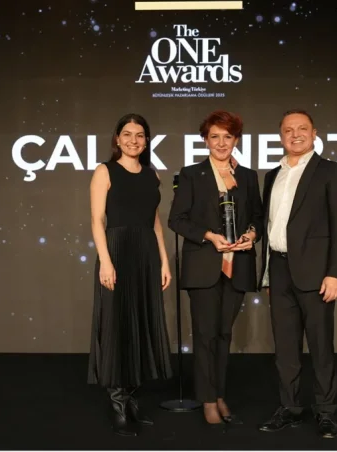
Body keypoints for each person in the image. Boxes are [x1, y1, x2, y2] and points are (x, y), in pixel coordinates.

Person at [257, 109, 337, 439]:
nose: (295, 134)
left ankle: (325, 411)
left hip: (316, 273)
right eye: (288, 130)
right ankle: (290, 407)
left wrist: (336, 273)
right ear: (280, 135)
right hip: (279, 270)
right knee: (285, 348)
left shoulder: (331, 172)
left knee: (321, 346)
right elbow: (270, 227)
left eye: (302, 129)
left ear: (314, 133)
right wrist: (267, 275)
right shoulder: (272, 175)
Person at [168, 110, 264, 428]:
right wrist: (209, 236)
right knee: (205, 335)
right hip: (204, 266)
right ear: (205, 140)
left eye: (228, 137)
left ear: (236, 140)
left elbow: (258, 217)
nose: (221, 143)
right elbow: (176, 220)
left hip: (238, 266)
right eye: (215, 137)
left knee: (224, 335)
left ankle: (220, 394)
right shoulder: (192, 175)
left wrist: (251, 235)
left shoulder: (248, 176)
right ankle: (208, 399)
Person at [87, 113, 174, 437]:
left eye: (139, 135)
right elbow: (97, 220)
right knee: (117, 325)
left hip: (146, 255)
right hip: (117, 252)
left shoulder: (152, 175)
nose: (133, 140)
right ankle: (118, 405)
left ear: (146, 140)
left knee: (142, 323)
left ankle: (132, 399)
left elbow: (154, 222)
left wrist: (163, 261)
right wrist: (106, 262)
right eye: (127, 134)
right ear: (117, 138)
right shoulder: (104, 171)